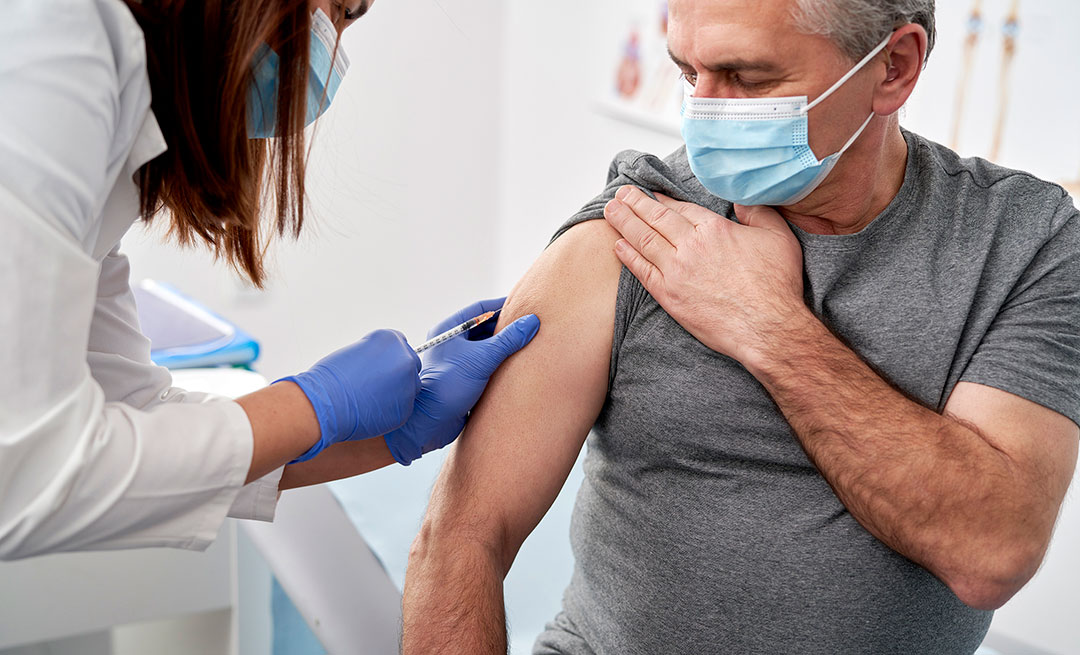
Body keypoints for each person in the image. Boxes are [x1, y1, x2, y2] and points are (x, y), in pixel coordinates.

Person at [401, 0, 1080, 653]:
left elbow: (992, 548)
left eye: (748, 77)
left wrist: (771, 327)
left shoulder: (1024, 242)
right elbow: (458, 537)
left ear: (894, 66)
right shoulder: (641, 228)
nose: (704, 112)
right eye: (690, 73)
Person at [0, 0, 539, 560]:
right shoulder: (57, 56)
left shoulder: (112, 119)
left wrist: (393, 435)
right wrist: (313, 403)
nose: (336, 51)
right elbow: (25, 477)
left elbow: (137, 416)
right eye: (345, 10)